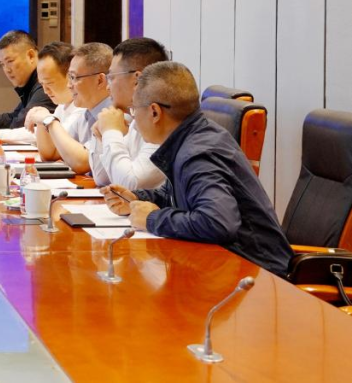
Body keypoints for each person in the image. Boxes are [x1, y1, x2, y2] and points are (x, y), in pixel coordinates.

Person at [101, 62, 293, 276]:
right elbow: (182, 196)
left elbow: (218, 222)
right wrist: (136, 198)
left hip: (257, 275)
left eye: (134, 109)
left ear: (154, 112)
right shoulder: (191, 137)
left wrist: (152, 219)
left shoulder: (197, 153)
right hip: (226, 269)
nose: (133, 119)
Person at [89, 38, 169, 189]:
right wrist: (102, 136)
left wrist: (111, 132)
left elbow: (131, 185)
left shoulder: (160, 119)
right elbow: (102, 178)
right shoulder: (134, 116)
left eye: (111, 77)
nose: (107, 87)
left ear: (137, 79)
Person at [27, 42, 112, 172]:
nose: (69, 85)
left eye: (73, 77)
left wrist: (49, 121)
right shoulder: (87, 112)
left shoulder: (116, 113)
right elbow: (51, 154)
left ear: (100, 80)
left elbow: (82, 162)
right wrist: (41, 121)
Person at [16, 42, 85, 160]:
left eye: (49, 83)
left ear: (71, 76)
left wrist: (46, 119)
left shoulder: (83, 108)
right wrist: (41, 121)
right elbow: (47, 153)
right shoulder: (63, 106)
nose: (45, 91)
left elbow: (53, 152)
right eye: (42, 84)